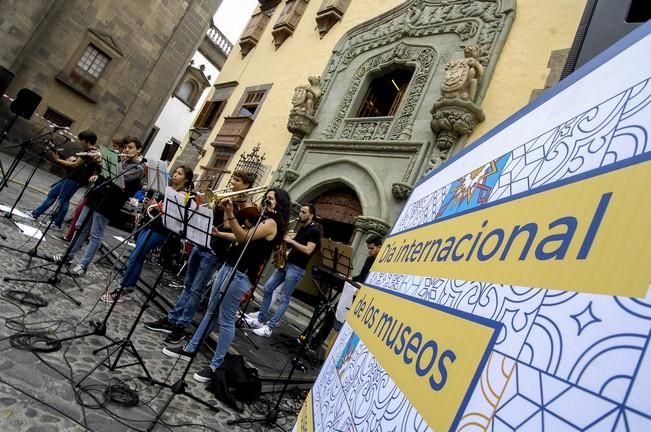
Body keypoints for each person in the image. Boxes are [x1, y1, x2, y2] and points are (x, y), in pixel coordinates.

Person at [162, 188, 290, 383]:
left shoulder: (273, 223)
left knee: (226, 319)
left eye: (270, 199)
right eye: (266, 197)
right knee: (210, 311)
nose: (266, 201)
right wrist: (220, 234)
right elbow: (242, 236)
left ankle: (215, 365)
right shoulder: (264, 220)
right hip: (229, 267)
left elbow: (245, 237)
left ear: (280, 204)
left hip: (240, 275)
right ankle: (190, 349)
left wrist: (230, 214)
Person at [144, 171, 257, 344]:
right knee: (187, 285)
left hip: (215, 251)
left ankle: (182, 326)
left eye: (237, 180)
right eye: (233, 178)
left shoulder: (247, 208)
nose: (232, 182)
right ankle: (172, 318)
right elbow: (205, 213)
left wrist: (229, 207)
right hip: (201, 242)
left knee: (196, 290)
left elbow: (229, 227)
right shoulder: (224, 198)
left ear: (247, 185)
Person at [100, 165, 194, 303]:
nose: (175, 175)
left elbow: (174, 215)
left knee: (135, 256)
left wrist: (156, 205)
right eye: (175, 172)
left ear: (186, 180)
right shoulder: (168, 188)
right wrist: (145, 208)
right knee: (137, 257)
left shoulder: (183, 195)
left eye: (179, 174)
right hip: (149, 223)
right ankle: (128, 287)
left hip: (160, 230)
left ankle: (123, 288)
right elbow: (155, 205)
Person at [63, 137, 145, 275]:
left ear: (138, 150)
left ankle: (83, 265)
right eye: (125, 147)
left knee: (95, 235)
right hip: (97, 196)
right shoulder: (122, 160)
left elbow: (119, 179)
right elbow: (106, 175)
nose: (126, 150)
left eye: (130, 147)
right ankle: (67, 257)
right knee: (80, 226)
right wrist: (99, 172)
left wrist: (109, 162)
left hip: (110, 202)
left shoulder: (138, 168)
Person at [245, 204, 321, 337]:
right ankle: (260, 320)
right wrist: (288, 244)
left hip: (297, 268)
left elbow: (308, 250)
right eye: (300, 211)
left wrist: (291, 241)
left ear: (311, 215)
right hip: (286, 264)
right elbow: (294, 245)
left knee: (284, 298)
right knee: (268, 288)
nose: (300, 214)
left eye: (304, 212)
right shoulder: (303, 227)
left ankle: (269, 327)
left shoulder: (315, 231)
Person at [309, 235, 383, 351]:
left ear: (380, 247)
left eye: (372, 248)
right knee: (331, 314)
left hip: (365, 300)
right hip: (355, 292)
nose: (369, 251)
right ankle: (314, 345)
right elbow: (361, 277)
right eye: (368, 248)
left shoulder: (383, 263)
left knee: (346, 326)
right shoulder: (369, 260)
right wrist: (349, 278)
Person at [27, 130, 101, 231]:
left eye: (81, 140)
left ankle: (57, 224)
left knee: (63, 200)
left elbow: (76, 165)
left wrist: (58, 160)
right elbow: (81, 164)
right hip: (72, 177)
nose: (80, 142)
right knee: (53, 193)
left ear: (86, 141)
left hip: (75, 179)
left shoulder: (90, 152)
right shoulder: (94, 151)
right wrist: (73, 159)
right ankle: (35, 214)